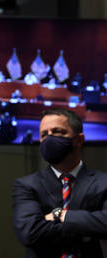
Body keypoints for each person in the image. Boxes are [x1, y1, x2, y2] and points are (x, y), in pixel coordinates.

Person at [13, 108, 107, 257]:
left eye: (57, 132)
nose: (49, 138)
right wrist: (88, 227)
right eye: (44, 135)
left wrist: (59, 215)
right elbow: (30, 232)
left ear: (79, 140)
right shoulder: (26, 185)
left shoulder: (103, 183)